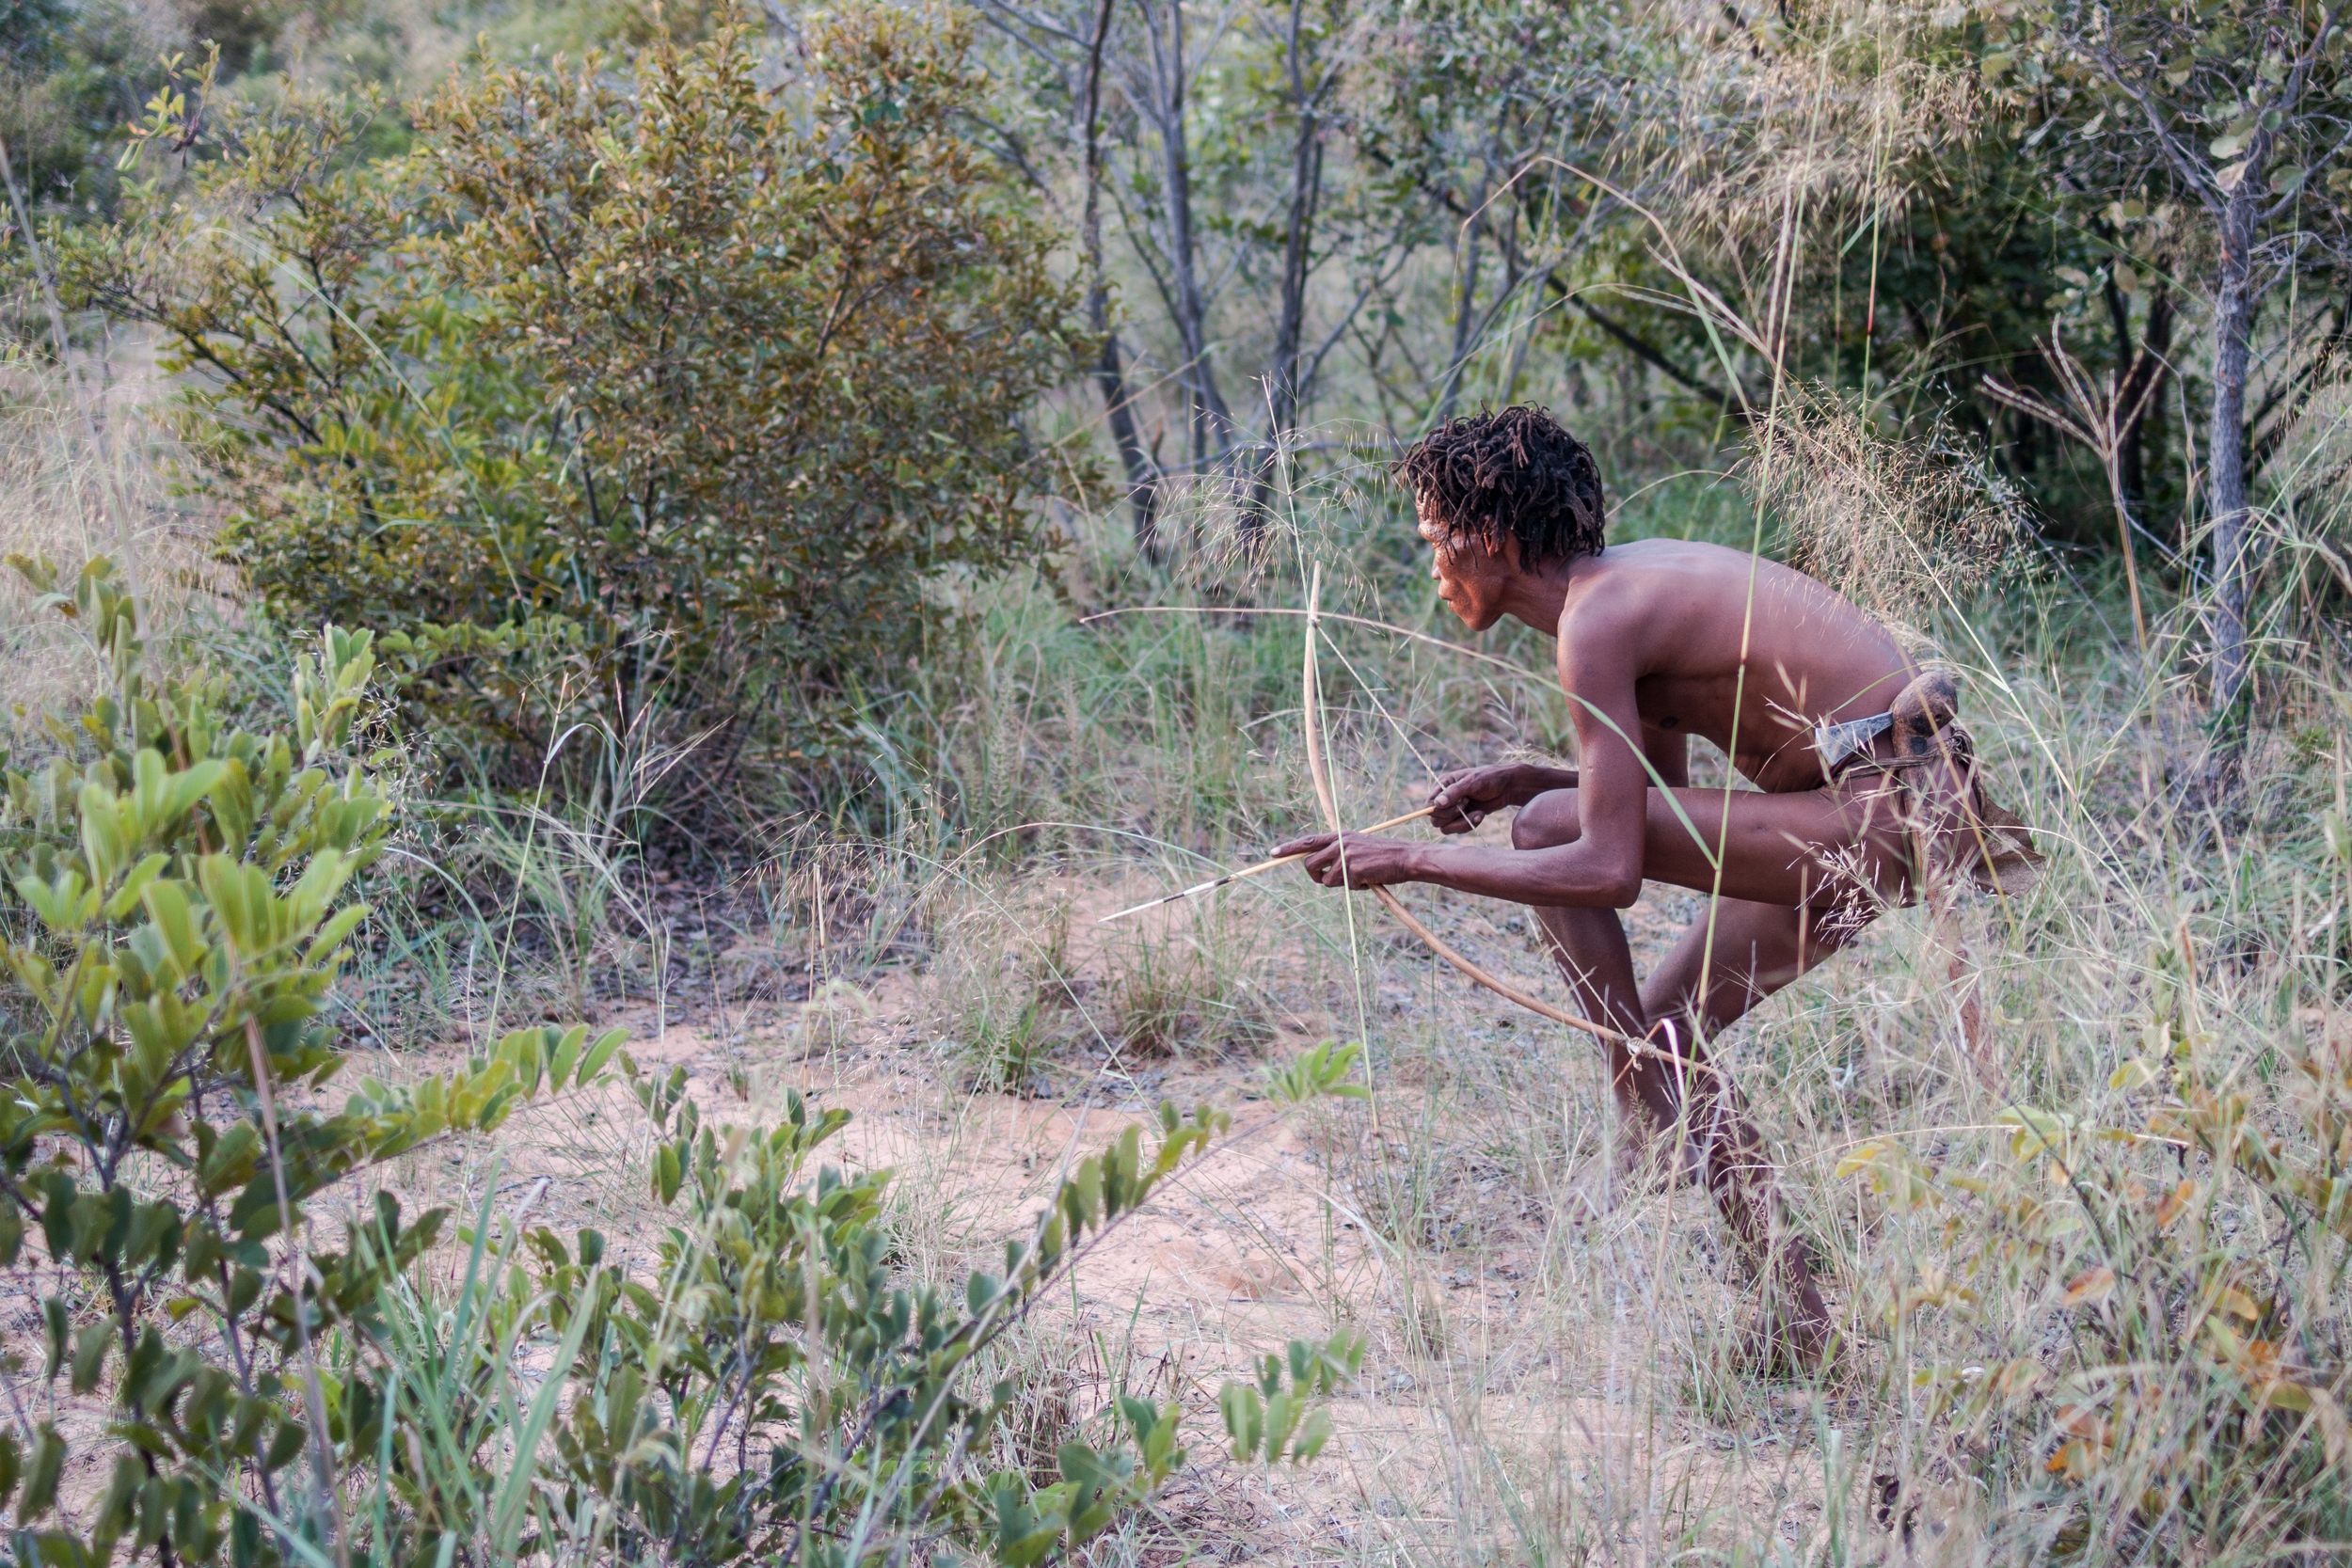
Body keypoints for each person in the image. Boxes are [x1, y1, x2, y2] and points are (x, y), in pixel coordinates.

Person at [1271, 405, 2038, 1366]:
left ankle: (1638, 1095)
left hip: (1879, 817)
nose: (1432, 567)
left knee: (1563, 855)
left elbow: (1607, 864)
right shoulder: (1622, 591)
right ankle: (1797, 1316)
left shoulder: (1596, 620)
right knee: (1671, 1037)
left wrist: (1407, 861)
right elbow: (1661, 794)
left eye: (1437, 542)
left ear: (1495, 541)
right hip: (1880, 817)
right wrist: (1526, 772)